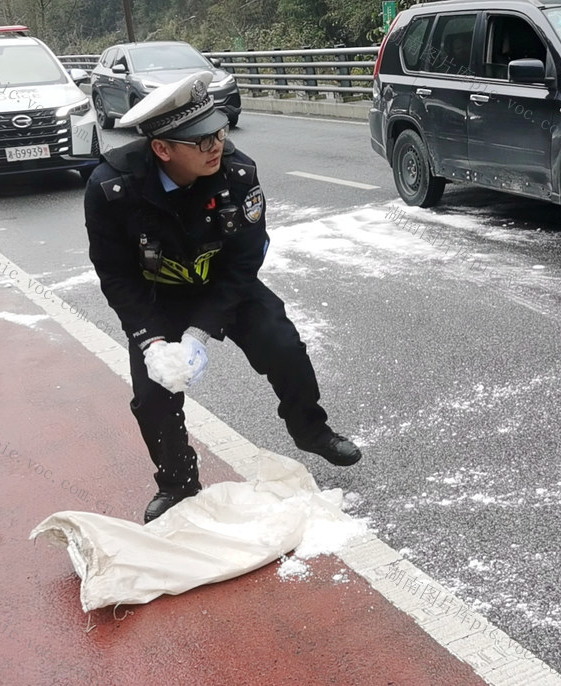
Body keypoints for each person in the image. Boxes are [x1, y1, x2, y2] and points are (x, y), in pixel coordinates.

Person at [85, 71, 362, 523]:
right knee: (153, 394)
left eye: (218, 130)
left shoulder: (237, 172)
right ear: (162, 148)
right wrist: (151, 341)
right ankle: (178, 482)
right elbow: (115, 275)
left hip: (224, 283)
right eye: (200, 140)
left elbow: (245, 260)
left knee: (283, 344)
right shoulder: (111, 189)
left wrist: (199, 334)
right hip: (159, 295)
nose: (216, 144)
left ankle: (312, 430)